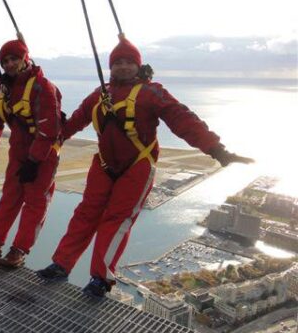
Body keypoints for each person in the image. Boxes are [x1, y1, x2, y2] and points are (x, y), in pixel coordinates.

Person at [37, 36, 253, 298]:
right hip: (104, 164)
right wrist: (51, 139)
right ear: (111, 67)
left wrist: (216, 149)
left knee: (116, 222)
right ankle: (61, 264)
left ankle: (100, 278)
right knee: (85, 214)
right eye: (118, 62)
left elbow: (182, 119)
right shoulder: (100, 94)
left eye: (129, 62)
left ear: (139, 66)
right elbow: (76, 121)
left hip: (137, 166)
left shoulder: (151, 93)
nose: (124, 67)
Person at [0, 39, 63, 269]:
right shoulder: (2, 90)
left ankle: (19, 249)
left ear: (25, 58)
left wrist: (34, 161)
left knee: (35, 201)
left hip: (44, 153)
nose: (9, 64)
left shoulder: (43, 87)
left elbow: (49, 130)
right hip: (19, 149)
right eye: (5, 61)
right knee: (10, 196)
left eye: (14, 59)